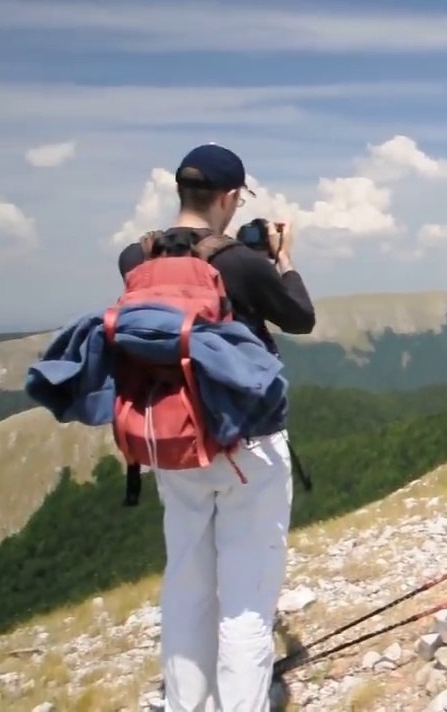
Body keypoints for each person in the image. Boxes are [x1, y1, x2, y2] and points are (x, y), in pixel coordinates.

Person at [116, 143, 316, 712]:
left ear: (182, 191)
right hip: (246, 445)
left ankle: (186, 703)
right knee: (246, 599)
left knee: (187, 584)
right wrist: (283, 258)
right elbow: (300, 317)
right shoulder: (243, 265)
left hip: (175, 440)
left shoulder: (136, 258)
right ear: (230, 197)